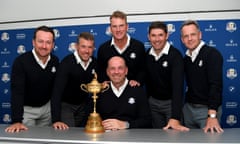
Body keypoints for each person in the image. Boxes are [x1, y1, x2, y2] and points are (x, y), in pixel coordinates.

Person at [5, 26, 59, 133]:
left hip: (46, 110)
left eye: (48, 42)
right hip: (27, 111)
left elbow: (56, 91)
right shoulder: (21, 62)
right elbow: (17, 92)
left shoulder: (55, 61)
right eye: (40, 41)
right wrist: (17, 120)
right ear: (33, 42)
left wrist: (56, 118)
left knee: (46, 138)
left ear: (53, 45)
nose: (44, 46)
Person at [180, 20, 224, 133]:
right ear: (182, 40)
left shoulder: (212, 54)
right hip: (188, 110)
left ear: (200, 35)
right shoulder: (186, 59)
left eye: (193, 34)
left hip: (207, 112)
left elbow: (216, 85)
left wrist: (212, 116)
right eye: (186, 36)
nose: (189, 38)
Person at [145, 21, 189, 131]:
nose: (157, 39)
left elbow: (178, 88)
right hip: (153, 105)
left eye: (160, 35)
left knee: (174, 138)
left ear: (167, 36)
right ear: (148, 37)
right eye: (153, 35)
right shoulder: (147, 55)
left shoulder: (175, 56)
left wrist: (175, 116)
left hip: (171, 105)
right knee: (157, 138)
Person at [51, 32, 97, 130]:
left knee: (83, 134)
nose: (87, 51)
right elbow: (56, 92)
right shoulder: (66, 63)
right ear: (76, 46)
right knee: (69, 134)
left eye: (90, 47)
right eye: (83, 46)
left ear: (93, 48)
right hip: (66, 106)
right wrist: (56, 120)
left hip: (83, 106)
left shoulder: (94, 62)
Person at [97, 56, 151, 130]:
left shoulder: (138, 91)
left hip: (131, 138)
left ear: (126, 71)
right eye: (112, 68)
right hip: (105, 137)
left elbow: (147, 120)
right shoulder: (100, 91)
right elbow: (88, 118)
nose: (116, 72)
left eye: (120, 68)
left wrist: (126, 124)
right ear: (107, 72)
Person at [97, 10, 146, 87]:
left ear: (127, 27)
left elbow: (143, 70)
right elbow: (100, 72)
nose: (118, 30)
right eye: (114, 26)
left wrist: (138, 81)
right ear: (110, 28)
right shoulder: (103, 49)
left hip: (133, 92)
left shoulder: (138, 46)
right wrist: (103, 82)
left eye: (121, 26)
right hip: (110, 94)